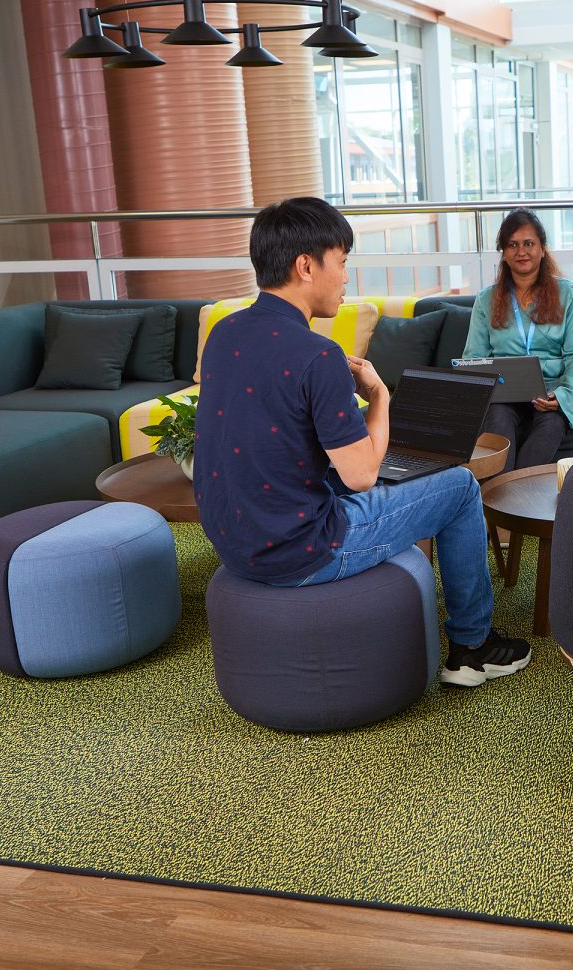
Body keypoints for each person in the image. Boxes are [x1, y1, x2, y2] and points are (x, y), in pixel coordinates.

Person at [196, 197, 530, 688]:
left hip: (232, 542)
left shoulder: (223, 333)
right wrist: (378, 397)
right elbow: (362, 474)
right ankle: (473, 648)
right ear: (306, 266)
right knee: (459, 487)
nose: (347, 277)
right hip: (305, 552)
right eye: (343, 262)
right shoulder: (318, 354)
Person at [466, 209, 573, 473]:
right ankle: (501, 497)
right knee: (498, 418)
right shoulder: (486, 299)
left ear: (543, 249)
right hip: (504, 392)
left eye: (529, 244)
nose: (521, 251)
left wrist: (563, 395)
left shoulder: (567, 293)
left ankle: (508, 493)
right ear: (503, 252)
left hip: (553, 389)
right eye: (512, 245)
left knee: (552, 425)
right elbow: (473, 358)